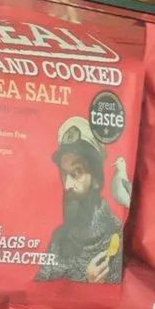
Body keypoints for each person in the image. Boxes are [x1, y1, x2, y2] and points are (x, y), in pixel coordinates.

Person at [36, 116, 123, 282]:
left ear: (96, 179)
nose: (67, 185)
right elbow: (37, 296)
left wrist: (97, 288)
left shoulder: (117, 234)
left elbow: (126, 302)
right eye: (64, 173)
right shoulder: (59, 238)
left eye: (76, 172)